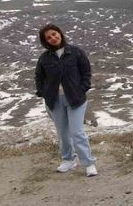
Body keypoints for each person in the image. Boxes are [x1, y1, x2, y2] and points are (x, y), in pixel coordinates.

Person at [35, 23, 98, 177]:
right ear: (45, 41)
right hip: (54, 101)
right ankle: (68, 160)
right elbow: (39, 77)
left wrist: (82, 88)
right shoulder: (44, 58)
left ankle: (88, 163)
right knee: (63, 133)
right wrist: (43, 93)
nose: (53, 38)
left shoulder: (75, 52)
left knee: (77, 132)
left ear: (60, 33)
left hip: (75, 99)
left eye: (54, 34)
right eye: (48, 37)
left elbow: (86, 72)